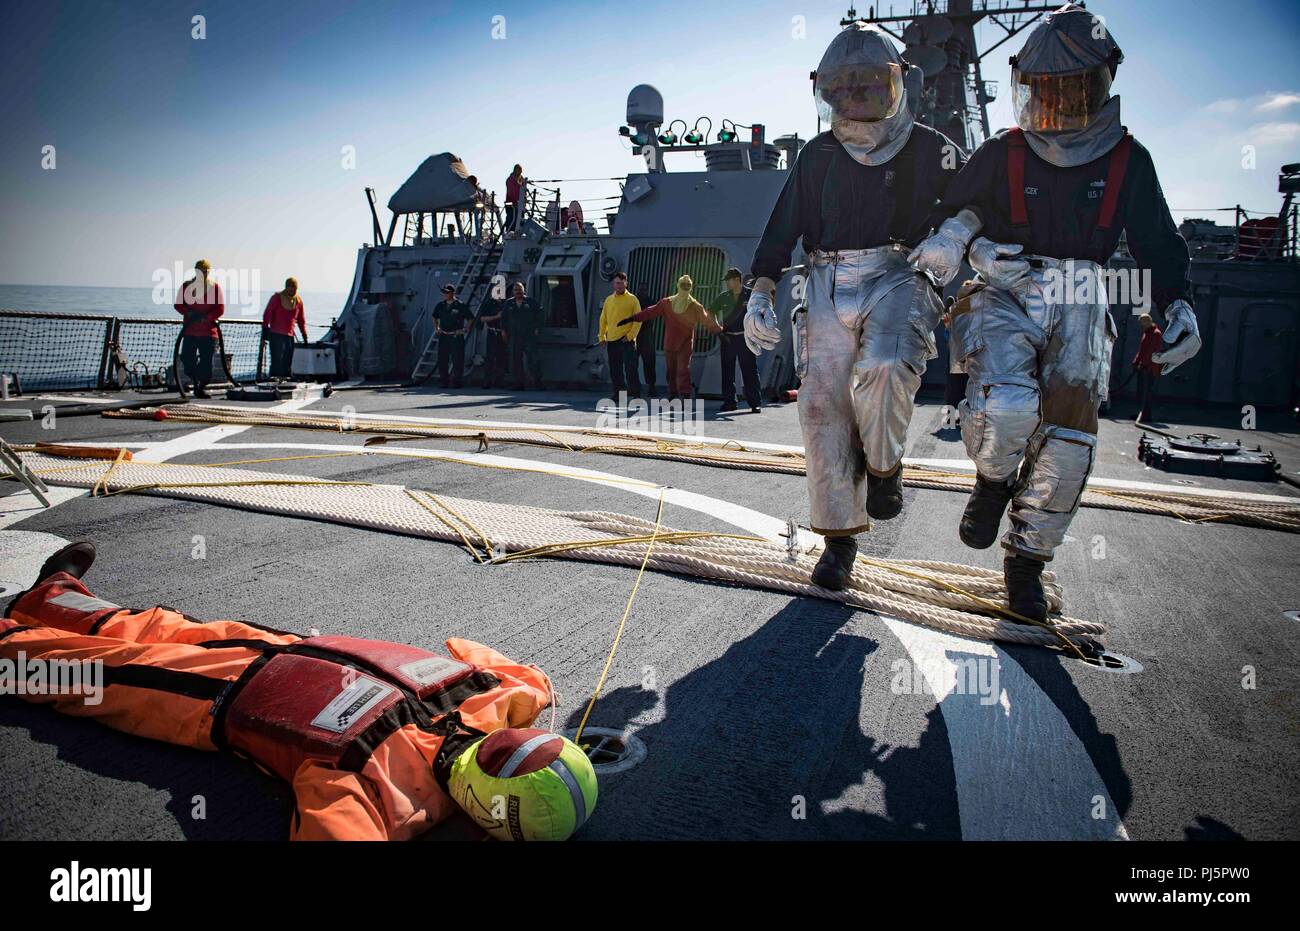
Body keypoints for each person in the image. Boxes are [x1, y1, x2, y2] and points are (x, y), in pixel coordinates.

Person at [910, 3, 1201, 620]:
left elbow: (1157, 243)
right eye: (1049, 90)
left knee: (1069, 441)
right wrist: (966, 241)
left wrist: (1177, 304)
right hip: (1006, 287)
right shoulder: (1000, 152)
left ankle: (1026, 565)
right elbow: (958, 210)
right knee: (1004, 405)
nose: (1061, 103)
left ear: (1099, 85)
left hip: (1080, 294)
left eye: (1073, 89)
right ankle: (991, 483)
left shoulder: (1128, 159)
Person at [1, 542, 597, 841]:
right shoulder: (495, 705)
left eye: (504, 756)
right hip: (283, 651)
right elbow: (525, 678)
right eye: (525, 740)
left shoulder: (384, 794)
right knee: (168, 626)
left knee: (96, 670)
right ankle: (54, 598)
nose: (502, 741)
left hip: (223, 696)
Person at [744, 23, 966, 590]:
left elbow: (977, 206)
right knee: (820, 409)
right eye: (843, 88)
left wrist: (958, 238)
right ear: (827, 92)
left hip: (900, 274)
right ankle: (839, 544)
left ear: (898, 85)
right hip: (823, 278)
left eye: (867, 85)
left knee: (886, 366)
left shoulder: (933, 150)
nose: (854, 98)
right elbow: (781, 229)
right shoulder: (818, 155)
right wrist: (761, 292)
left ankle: (886, 465)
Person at [619, 275, 722, 402]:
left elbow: (707, 320)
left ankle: (685, 394)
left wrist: (719, 332)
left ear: (690, 288)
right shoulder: (667, 303)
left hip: (684, 343)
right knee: (671, 370)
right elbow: (650, 312)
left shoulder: (694, 306)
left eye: (687, 286)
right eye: (683, 285)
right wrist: (633, 318)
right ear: (678, 286)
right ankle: (673, 392)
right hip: (670, 343)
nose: (685, 288)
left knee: (683, 369)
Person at [709, 268, 761, 413]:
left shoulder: (750, 295)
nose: (727, 283)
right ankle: (729, 402)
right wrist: (717, 331)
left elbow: (760, 313)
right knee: (727, 372)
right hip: (728, 338)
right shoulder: (723, 296)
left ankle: (755, 403)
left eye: (729, 280)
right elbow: (710, 312)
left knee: (750, 371)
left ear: (737, 279)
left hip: (745, 338)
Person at [173, 259, 224, 398]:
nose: (202, 273)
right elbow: (178, 305)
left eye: (205, 271)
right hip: (190, 331)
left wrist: (207, 317)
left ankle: (201, 387)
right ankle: (196, 380)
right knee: (186, 359)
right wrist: (189, 313)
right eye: (200, 271)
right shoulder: (186, 286)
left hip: (208, 333)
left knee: (206, 362)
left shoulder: (215, 287)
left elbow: (220, 309)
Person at [598, 272, 642, 401]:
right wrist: (602, 337)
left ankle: (635, 392)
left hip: (626, 340)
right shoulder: (609, 300)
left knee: (631, 368)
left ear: (626, 283)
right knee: (615, 370)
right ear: (613, 284)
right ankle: (619, 394)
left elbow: (638, 320)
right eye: (617, 283)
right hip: (612, 340)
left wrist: (630, 336)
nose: (619, 286)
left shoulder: (633, 299)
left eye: (622, 283)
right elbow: (603, 319)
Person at [262, 277, 308, 380]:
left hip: (289, 336)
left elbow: (301, 319)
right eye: (289, 287)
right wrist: (265, 328)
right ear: (285, 287)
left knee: (287, 361)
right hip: (276, 334)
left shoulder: (299, 301)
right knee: (277, 360)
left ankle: (286, 381)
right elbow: (267, 314)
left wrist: (304, 334)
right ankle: (273, 380)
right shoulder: (277, 298)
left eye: (293, 287)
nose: (291, 289)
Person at [503, 281, 544, 390]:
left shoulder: (531, 302)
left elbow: (540, 315)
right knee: (516, 360)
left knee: (533, 359)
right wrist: (504, 331)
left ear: (524, 290)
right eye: (516, 290)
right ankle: (518, 383)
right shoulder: (509, 303)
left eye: (520, 289)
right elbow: (504, 319)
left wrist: (537, 328)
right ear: (513, 292)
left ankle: (537, 383)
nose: (518, 292)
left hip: (529, 335)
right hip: (515, 336)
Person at [433, 284, 472, 389]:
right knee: (442, 359)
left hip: (456, 336)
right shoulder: (440, 305)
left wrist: (465, 329)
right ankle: (444, 381)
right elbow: (435, 316)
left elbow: (470, 318)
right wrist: (436, 328)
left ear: (453, 293)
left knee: (457, 360)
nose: (445, 294)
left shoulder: (460, 305)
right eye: (444, 292)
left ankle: (457, 382)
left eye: (447, 292)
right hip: (444, 335)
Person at [1132, 312, 1163, 422]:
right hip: (1144, 367)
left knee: (1147, 392)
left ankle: (1145, 415)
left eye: (1142, 323)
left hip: (1150, 368)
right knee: (1141, 391)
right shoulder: (1147, 333)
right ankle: (1141, 413)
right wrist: (1136, 361)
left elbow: (1151, 352)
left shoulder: (1155, 334)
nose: (1141, 325)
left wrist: (1142, 364)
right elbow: (1142, 350)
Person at [476, 291, 508, 389]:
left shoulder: (508, 303)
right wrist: (496, 317)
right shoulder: (488, 303)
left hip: (505, 333)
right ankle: (487, 381)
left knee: (502, 358)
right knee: (490, 357)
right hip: (492, 332)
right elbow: (482, 319)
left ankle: (499, 382)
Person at [633, 283, 659, 396]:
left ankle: (651, 387)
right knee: (632, 363)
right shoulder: (633, 301)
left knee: (649, 363)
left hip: (646, 334)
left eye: (644, 289)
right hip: (635, 334)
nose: (642, 291)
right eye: (641, 289)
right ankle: (635, 388)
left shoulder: (650, 302)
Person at [505, 164, 525, 233]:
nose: (520, 172)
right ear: (515, 170)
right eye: (519, 171)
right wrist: (516, 203)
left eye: (521, 171)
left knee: (520, 222)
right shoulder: (510, 180)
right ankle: (510, 233)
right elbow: (511, 193)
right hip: (512, 206)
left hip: (520, 206)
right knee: (512, 222)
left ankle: (519, 233)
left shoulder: (522, 179)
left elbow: (524, 192)